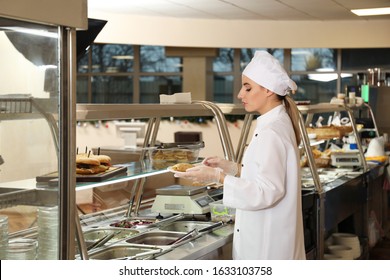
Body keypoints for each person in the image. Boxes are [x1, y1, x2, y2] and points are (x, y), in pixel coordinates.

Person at [174, 51, 306, 260]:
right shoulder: (277, 123)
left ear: (268, 90)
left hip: (266, 246)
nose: (240, 95)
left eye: (247, 87)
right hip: (271, 237)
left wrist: (217, 177)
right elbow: (267, 173)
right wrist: (232, 168)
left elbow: (267, 191)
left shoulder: (271, 132)